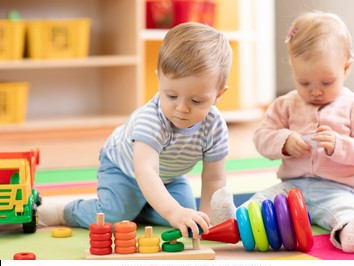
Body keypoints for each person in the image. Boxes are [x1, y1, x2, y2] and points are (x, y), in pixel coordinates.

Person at [211, 11, 354, 253]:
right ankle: (232, 221)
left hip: (338, 189)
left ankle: (350, 234)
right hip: (290, 188)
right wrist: (284, 141)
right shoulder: (285, 104)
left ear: (346, 69)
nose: (315, 91)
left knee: (346, 211)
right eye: (304, 83)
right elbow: (262, 136)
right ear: (293, 68)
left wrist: (339, 144)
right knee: (261, 204)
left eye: (326, 83)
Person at [39, 22, 233, 238]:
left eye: (196, 101)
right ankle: (65, 211)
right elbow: (146, 171)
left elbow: (214, 180)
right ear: (159, 78)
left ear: (218, 95)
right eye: (171, 96)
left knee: (187, 217)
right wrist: (174, 211)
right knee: (113, 215)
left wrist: (206, 223)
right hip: (124, 170)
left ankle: (141, 207)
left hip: (168, 178)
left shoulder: (214, 127)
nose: (182, 108)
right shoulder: (151, 120)